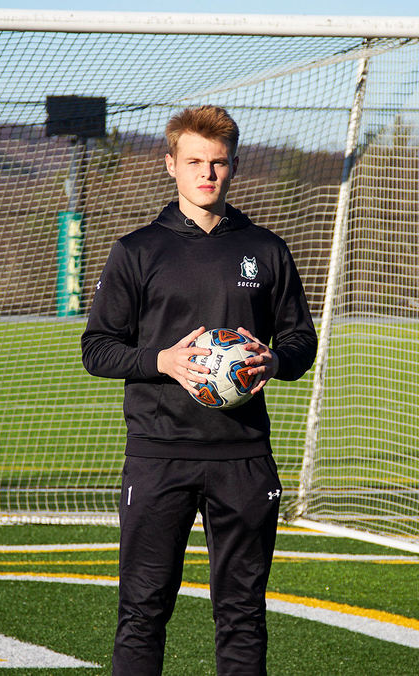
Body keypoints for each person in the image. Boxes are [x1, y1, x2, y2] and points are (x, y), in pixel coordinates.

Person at [81, 105, 317, 676]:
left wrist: (275, 360)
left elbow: (301, 341)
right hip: (158, 455)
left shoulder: (266, 250)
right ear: (170, 165)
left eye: (217, 163)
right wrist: (161, 360)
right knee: (142, 612)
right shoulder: (137, 251)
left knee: (242, 613)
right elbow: (97, 349)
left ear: (233, 166)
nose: (206, 173)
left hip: (243, 459)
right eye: (194, 162)